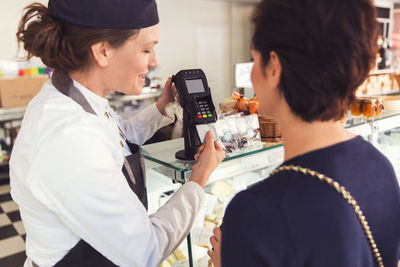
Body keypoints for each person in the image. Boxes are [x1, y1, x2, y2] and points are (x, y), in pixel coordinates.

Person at [10, 1, 224, 266]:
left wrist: (160, 110)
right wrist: (198, 178)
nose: (154, 62)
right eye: (147, 49)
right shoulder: (70, 139)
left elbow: (117, 138)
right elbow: (145, 251)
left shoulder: (79, 98)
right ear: (103, 52)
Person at [206, 0, 400, 266]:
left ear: (274, 66)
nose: (252, 74)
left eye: (255, 58)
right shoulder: (380, 167)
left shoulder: (256, 214)